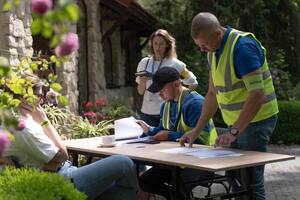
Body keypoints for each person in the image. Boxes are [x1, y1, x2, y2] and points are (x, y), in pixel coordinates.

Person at [179, 12, 279, 200]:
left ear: (218, 33)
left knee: (249, 182)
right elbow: (211, 94)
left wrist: (233, 132)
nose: (202, 50)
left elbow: (257, 94)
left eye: (204, 45)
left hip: (257, 121)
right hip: (239, 124)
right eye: (199, 46)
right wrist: (196, 130)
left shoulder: (242, 47)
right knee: (235, 178)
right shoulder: (213, 51)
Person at [4, 73, 138, 200]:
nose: (41, 101)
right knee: (124, 163)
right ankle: (144, 195)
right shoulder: (22, 127)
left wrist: (53, 160)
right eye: (39, 96)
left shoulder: (23, 120)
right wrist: (46, 121)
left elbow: (56, 155)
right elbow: (63, 155)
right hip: (62, 180)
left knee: (124, 193)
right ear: (24, 98)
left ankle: (140, 194)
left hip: (64, 171)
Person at [137, 67, 218, 199]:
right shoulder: (166, 104)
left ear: (177, 84)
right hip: (176, 161)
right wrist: (148, 130)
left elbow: (201, 141)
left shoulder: (195, 103)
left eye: (163, 89)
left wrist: (169, 136)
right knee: (145, 181)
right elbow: (163, 129)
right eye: (158, 91)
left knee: (177, 188)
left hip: (202, 162)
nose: (160, 95)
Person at [136, 29, 198, 127]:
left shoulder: (175, 64)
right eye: (155, 43)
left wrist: (181, 102)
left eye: (161, 44)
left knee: (167, 140)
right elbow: (140, 92)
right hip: (147, 113)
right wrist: (143, 82)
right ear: (151, 44)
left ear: (167, 45)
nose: (158, 47)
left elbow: (193, 82)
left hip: (167, 112)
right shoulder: (144, 63)